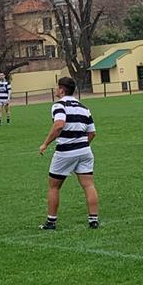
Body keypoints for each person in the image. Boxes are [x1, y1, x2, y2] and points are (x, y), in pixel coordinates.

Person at [37, 76, 100, 230]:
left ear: (62, 89)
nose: (56, 90)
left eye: (57, 87)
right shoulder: (84, 108)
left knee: (54, 186)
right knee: (89, 185)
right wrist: (81, 145)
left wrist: (45, 143)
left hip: (65, 152)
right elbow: (92, 133)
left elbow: (59, 125)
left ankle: (51, 222)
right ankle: (93, 220)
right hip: (85, 150)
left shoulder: (59, 105)